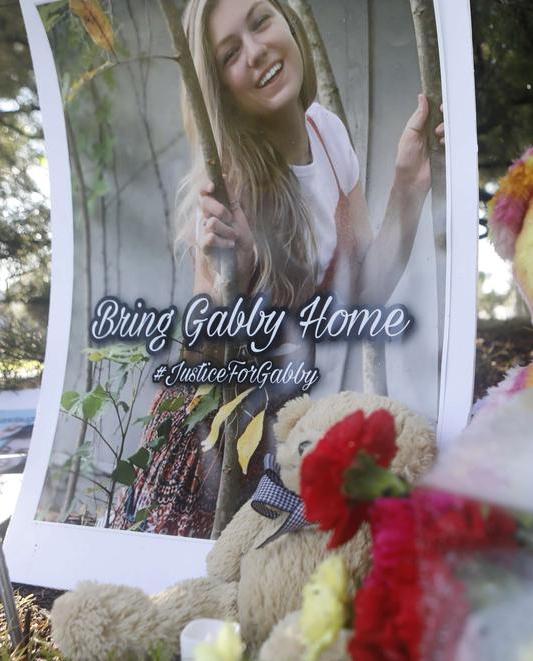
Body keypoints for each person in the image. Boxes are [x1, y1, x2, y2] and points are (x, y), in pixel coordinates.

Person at [110, 0, 439, 538]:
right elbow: (202, 370)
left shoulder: (327, 134)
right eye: (230, 53)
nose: (257, 50)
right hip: (227, 447)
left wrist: (408, 184)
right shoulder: (228, 191)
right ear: (219, 89)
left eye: (261, 20)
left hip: (300, 422)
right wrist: (225, 286)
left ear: (288, 20)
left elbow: (363, 293)